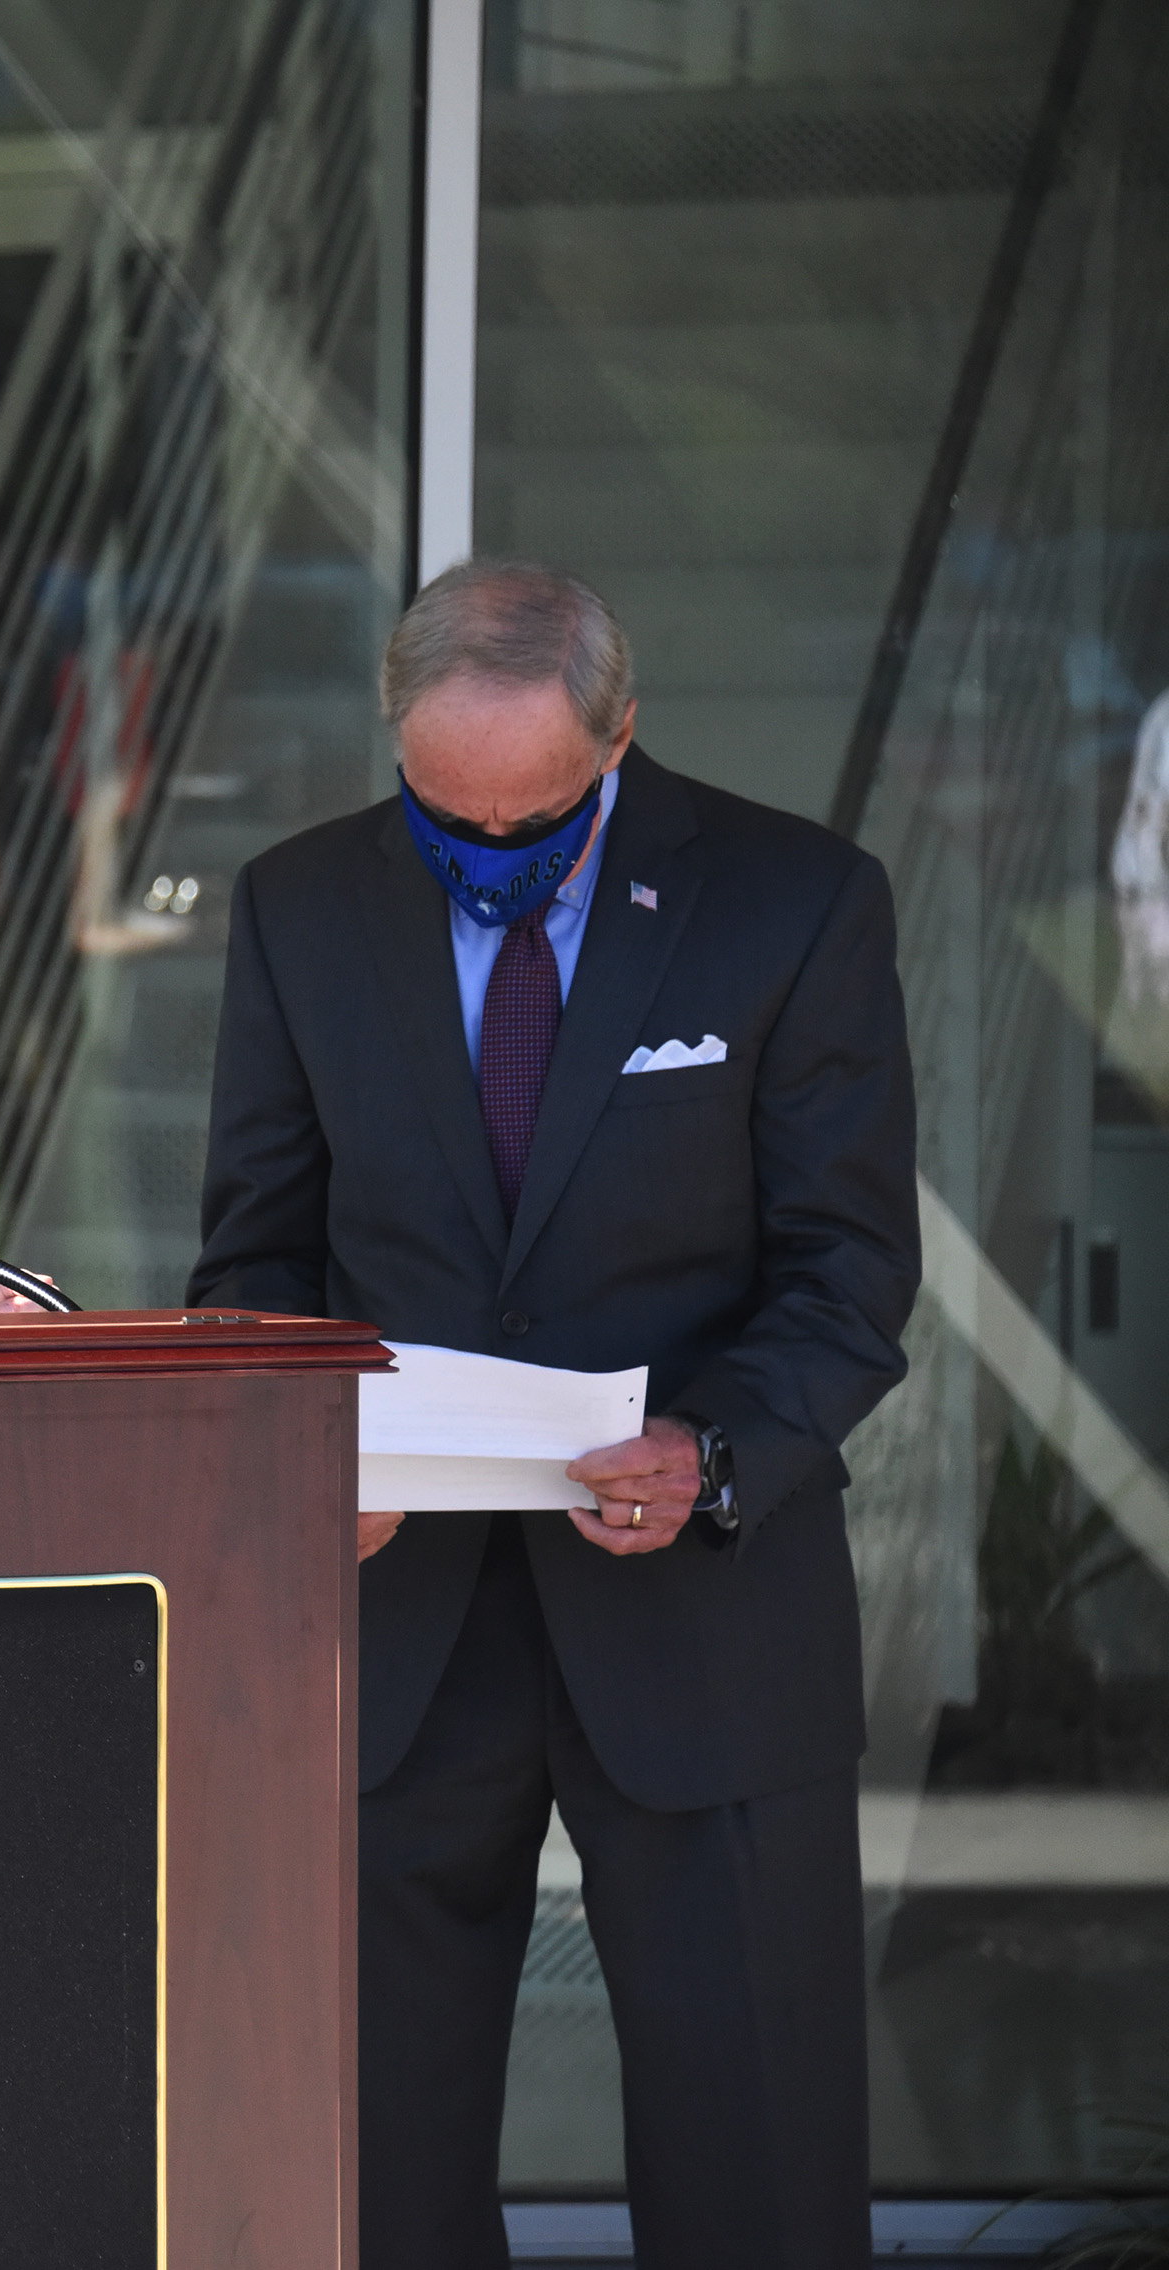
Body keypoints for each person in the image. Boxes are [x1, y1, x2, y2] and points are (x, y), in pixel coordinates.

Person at [191, 561, 919, 2267]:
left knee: (758, 2158)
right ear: (398, 745)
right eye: (452, 819)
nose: (492, 862)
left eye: (539, 823)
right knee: (367, 2165)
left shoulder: (792, 902)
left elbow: (847, 1272)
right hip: (392, 1618)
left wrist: (716, 1446)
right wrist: (310, 1462)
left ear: (623, 732)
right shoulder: (299, 906)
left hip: (707, 1612)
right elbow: (258, 1256)